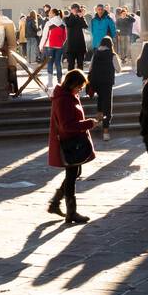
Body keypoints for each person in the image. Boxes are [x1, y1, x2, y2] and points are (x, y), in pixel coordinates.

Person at [46, 69, 99, 226]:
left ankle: (56, 203)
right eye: (80, 86)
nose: (80, 89)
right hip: (69, 143)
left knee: (75, 172)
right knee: (72, 175)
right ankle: (70, 212)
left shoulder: (69, 96)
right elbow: (67, 125)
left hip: (73, 141)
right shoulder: (63, 99)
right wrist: (89, 123)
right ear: (72, 84)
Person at [86, 36, 116, 140]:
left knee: (100, 100)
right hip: (107, 83)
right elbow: (119, 68)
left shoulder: (95, 53)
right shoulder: (112, 55)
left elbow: (90, 68)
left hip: (96, 82)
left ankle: (97, 123)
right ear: (110, 44)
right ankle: (106, 131)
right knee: (107, 105)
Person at [39, 9, 67, 86]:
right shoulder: (63, 24)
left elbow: (44, 36)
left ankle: (50, 82)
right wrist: (61, 43)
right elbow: (65, 37)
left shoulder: (49, 23)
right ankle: (60, 81)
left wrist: (41, 46)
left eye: (50, 13)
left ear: (54, 14)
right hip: (59, 46)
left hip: (49, 46)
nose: (49, 14)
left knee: (50, 63)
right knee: (58, 63)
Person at [0, 11, 18, 96]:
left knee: (10, 69)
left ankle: (11, 88)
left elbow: (11, 43)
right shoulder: (6, 23)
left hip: (4, 50)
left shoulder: (6, 23)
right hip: (1, 49)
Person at [64, 4, 90, 71]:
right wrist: (74, 15)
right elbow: (69, 24)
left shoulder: (80, 17)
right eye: (73, 9)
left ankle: (80, 80)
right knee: (71, 65)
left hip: (80, 45)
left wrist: (81, 17)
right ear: (71, 10)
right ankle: (70, 80)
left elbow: (85, 26)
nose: (75, 10)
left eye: (76, 9)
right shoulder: (67, 18)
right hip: (71, 46)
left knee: (80, 65)